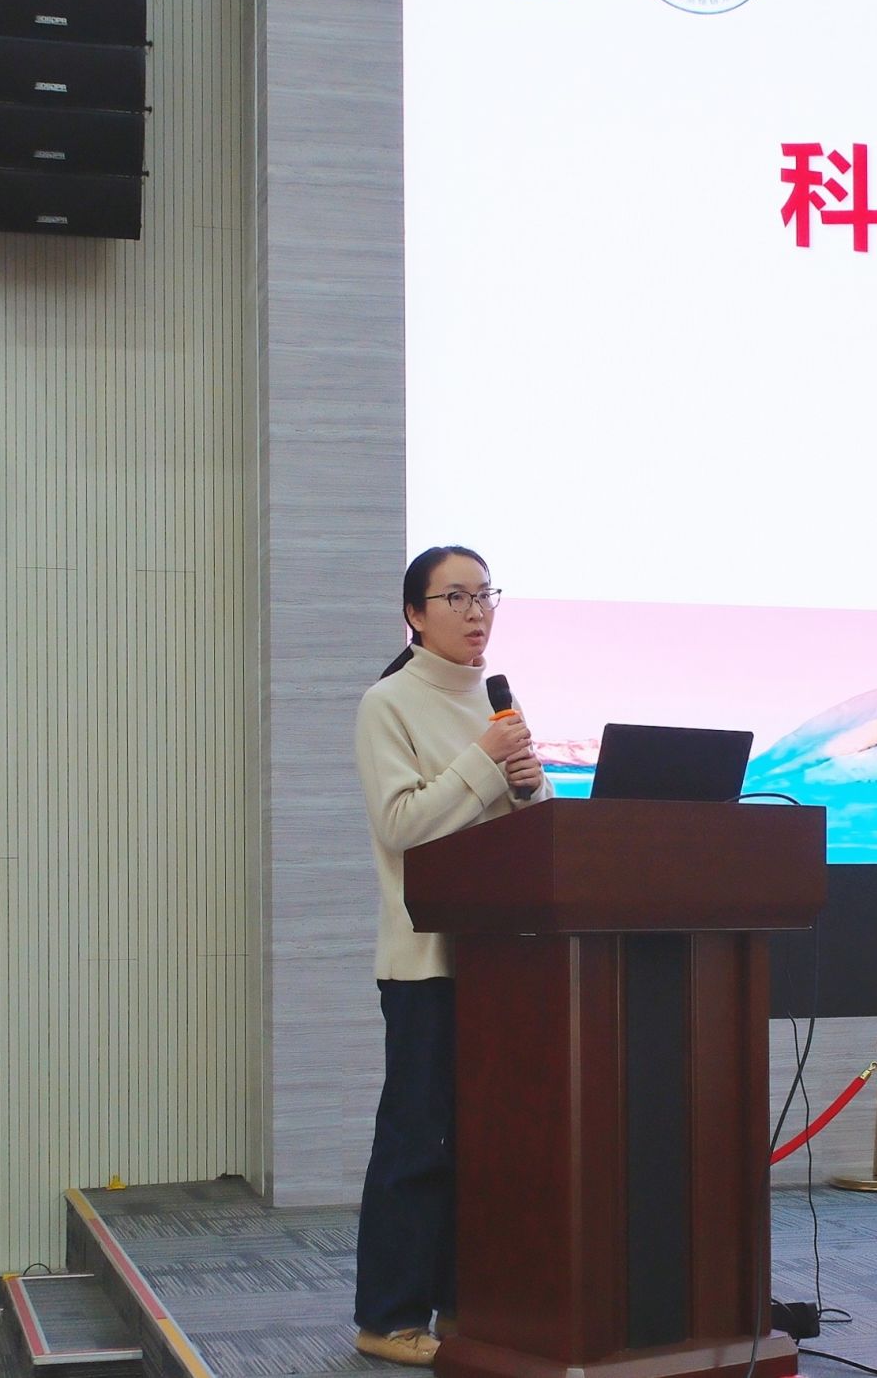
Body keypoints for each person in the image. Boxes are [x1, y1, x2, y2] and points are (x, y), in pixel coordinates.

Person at [350, 545, 551, 1365]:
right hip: (428, 963)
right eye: (457, 597)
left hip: (503, 963)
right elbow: (403, 825)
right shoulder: (388, 703)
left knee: (488, 1145)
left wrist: (531, 790)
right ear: (415, 613)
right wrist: (488, 763)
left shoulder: (495, 702)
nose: (477, 612)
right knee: (418, 1145)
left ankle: (469, 1304)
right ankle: (387, 1318)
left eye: (485, 595)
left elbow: (518, 828)